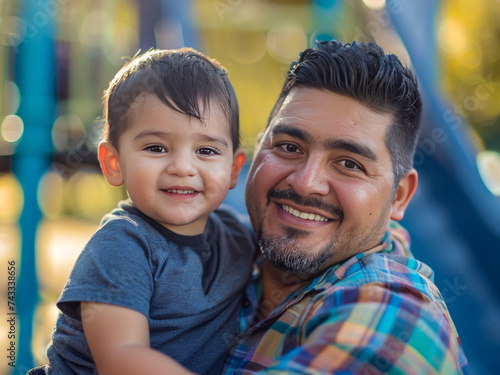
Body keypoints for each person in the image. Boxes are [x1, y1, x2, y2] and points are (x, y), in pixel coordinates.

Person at [222, 40, 469, 374]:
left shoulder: (399, 314)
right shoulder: (217, 249)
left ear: (399, 196)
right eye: (289, 146)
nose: (306, 182)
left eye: (349, 164)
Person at [29, 48, 254, 375]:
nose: (182, 167)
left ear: (234, 169)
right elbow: (122, 359)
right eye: (156, 148)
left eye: (205, 150)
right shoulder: (121, 247)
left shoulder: (237, 237)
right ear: (113, 163)